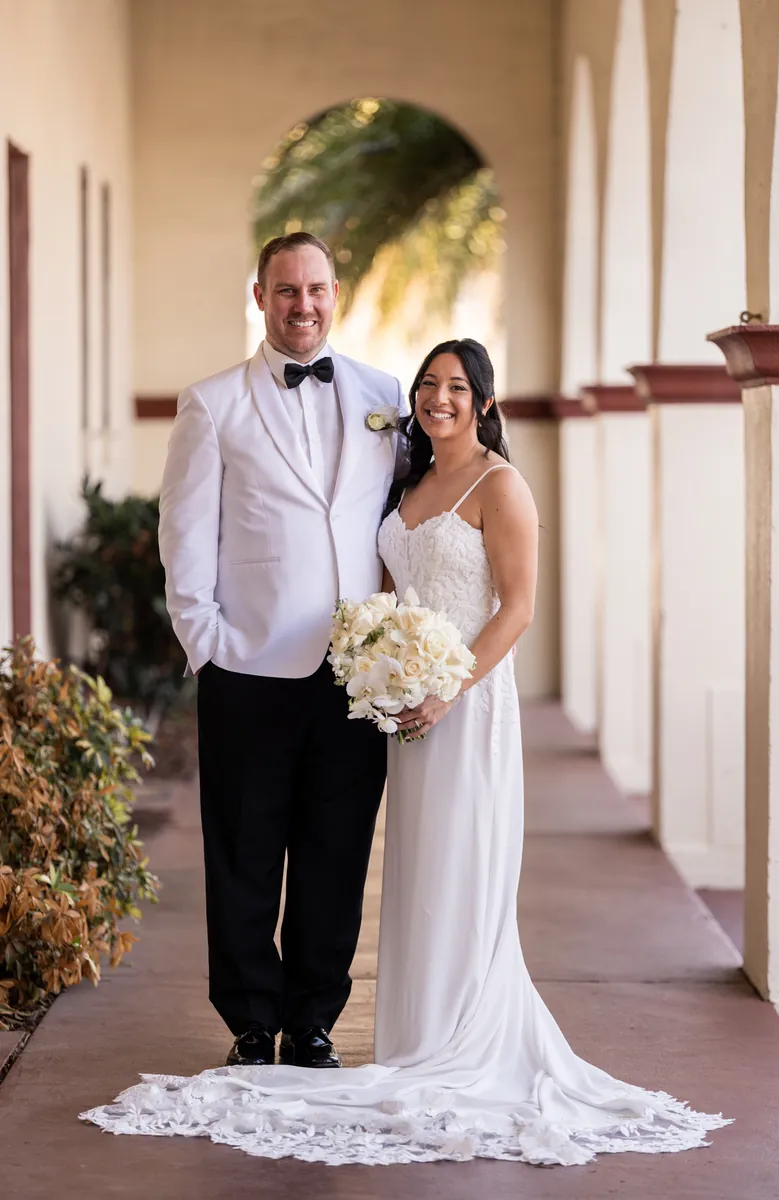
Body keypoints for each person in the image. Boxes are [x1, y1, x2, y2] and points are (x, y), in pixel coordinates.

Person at [82, 339, 730, 1167]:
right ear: (266, 295)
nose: (438, 398)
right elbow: (197, 528)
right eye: (430, 384)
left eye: (458, 387)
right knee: (353, 860)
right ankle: (314, 1027)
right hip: (336, 686)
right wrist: (212, 642)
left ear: (486, 402)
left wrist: (442, 685)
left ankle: (374, 1029)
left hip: (450, 702)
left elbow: (517, 606)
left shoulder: (485, 472)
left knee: (363, 858)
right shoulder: (380, 463)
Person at [153, 232, 404, 1069]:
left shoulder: (384, 395)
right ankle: (251, 1021)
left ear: (338, 294)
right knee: (244, 849)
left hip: (355, 673)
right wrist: (209, 649)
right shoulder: (213, 402)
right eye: (286, 290)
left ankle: (314, 1019)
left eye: (317, 289)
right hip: (248, 669)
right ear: (260, 296)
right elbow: (184, 540)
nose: (304, 305)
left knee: (338, 851)